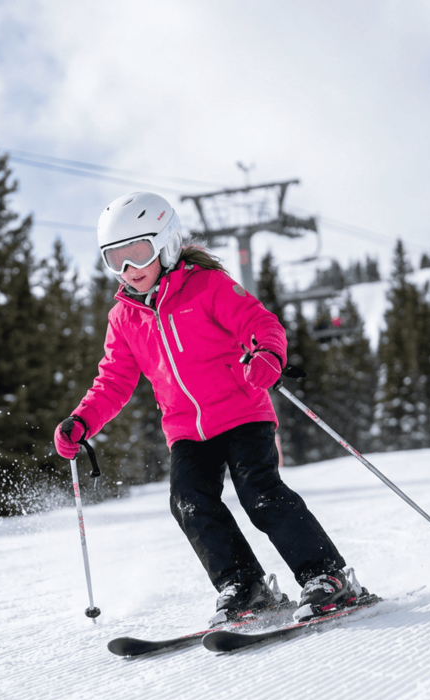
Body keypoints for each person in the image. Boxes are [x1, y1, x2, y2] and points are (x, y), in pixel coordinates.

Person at [54, 191, 364, 624]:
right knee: (189, 504)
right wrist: (83, 419)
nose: (129, 270)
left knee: (260, 494)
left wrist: (267, 355)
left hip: (243, 412)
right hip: (187, 431)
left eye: (138, 254)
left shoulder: (206, 286)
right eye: (115, 260)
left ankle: (326, 576)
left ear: (166, 243)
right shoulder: (124, 318)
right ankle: (244, 584)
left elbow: (260, 323)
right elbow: (114, 380)